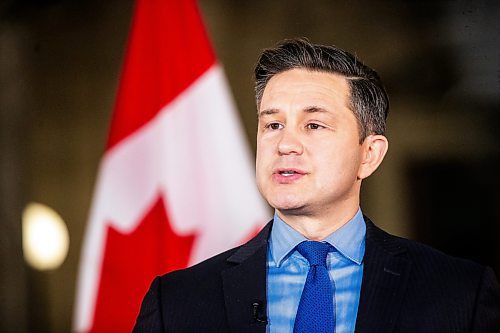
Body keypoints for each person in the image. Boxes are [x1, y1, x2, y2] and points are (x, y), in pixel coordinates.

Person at [133, 38, 500, 333]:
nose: (285, 144)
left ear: (369, 154)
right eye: (273, 125)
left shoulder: (460, 293)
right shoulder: (177, 301)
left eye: (313, 125)